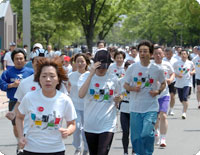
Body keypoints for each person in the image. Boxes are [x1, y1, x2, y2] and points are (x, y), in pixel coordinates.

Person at [16, 57, 77, 155]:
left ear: (58, 80)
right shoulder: (29, 97)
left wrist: (68, 130)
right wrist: (21, 136)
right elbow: (19, 117)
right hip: (31, 149)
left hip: (56, 149)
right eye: (44, 76)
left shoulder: (64, 100)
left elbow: (72, 123)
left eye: (52, 76)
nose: (48, 79)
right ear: (38, 79)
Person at [124, 40, 166, 155]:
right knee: (136, 137)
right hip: (135, 107)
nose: (142, 53)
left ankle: (147, 153)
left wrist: (158, 91)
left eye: (145, 51)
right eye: (141, 51)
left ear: (151, 54)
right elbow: (125, 84)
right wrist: (133, 89)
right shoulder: (132, 68)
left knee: (146, 133)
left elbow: (163, 83)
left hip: (150, 107)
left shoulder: (157, 69)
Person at [78, 49, 122, 155]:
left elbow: (120, 94)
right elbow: (81, 94)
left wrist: (119, 98)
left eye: (105, 66)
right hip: (90, 124)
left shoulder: (113, 78)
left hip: (107, 123)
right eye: (100, 66)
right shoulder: (85, 77)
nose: (102, 69)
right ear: (94, 64)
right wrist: (91, 74)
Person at [0, 48, 34, 155]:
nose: (19, 60)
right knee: (16, 124)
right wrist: (12, 85)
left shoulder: (31, 72)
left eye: (21, 58)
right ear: (13, 60)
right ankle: (19, 142)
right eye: (16, 59)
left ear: (25, 59)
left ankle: (27, 144)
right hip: (14, 101)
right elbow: (2, 86)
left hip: (29, 102)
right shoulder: (7, 73)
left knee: (29, 123)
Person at [68, 53, 90, 155]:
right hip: (75, 106)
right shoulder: (71, 76)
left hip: (87, 107)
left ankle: (86, 148)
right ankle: (77, 148)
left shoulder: (90, 75)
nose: (80, 64)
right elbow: (67, 89)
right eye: (78, 62)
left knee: (85, 129)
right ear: (74, 63)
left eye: (82, 61)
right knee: (76, 128)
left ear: (86, 63)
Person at [153, 46, 175, 147]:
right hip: (152, 96)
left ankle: (163, 138)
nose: (158, 55)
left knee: (163, 116)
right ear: (152, 55)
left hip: (164, 94)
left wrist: (170, 79)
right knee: (155, 118)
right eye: (156, 53)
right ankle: (156, 132)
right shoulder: (150, 66)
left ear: (163, 54)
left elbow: (172, 73)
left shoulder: (167, 64)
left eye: (159, 53)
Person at [173, 50, 195, 119]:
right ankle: (185, 105)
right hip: (179, 83)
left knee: (185, 97)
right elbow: (172, 72)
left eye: (184, 54)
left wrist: (192, 72)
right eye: (182, 54)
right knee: (181, 98)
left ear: (187, 55)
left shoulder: (190, 63)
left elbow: (194, 69)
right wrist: (177, 75)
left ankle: (184, 112)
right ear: (180, 55)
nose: (183, 55)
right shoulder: (176, 63)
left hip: (187, 82)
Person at [118, 60, 133, 155]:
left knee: (135, 132)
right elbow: (118, 93)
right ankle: (125, 151)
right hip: (124, 108)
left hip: (135, 109)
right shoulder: (120, 81)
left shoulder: (137, 81)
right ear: (125, 68)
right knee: (125, 131)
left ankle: (134, 151)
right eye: (127, 67)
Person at [163, 47, 178, 116]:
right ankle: (163, 108)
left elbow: (176, 71)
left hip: (173, 81)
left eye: (169, 54)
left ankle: (171, 109)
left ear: (172, 54)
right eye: (166, 54)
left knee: (172, 96)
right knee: (163, 95)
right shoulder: (163, 60)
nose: (167, 55)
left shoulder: (175, 60)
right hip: (164, 81)